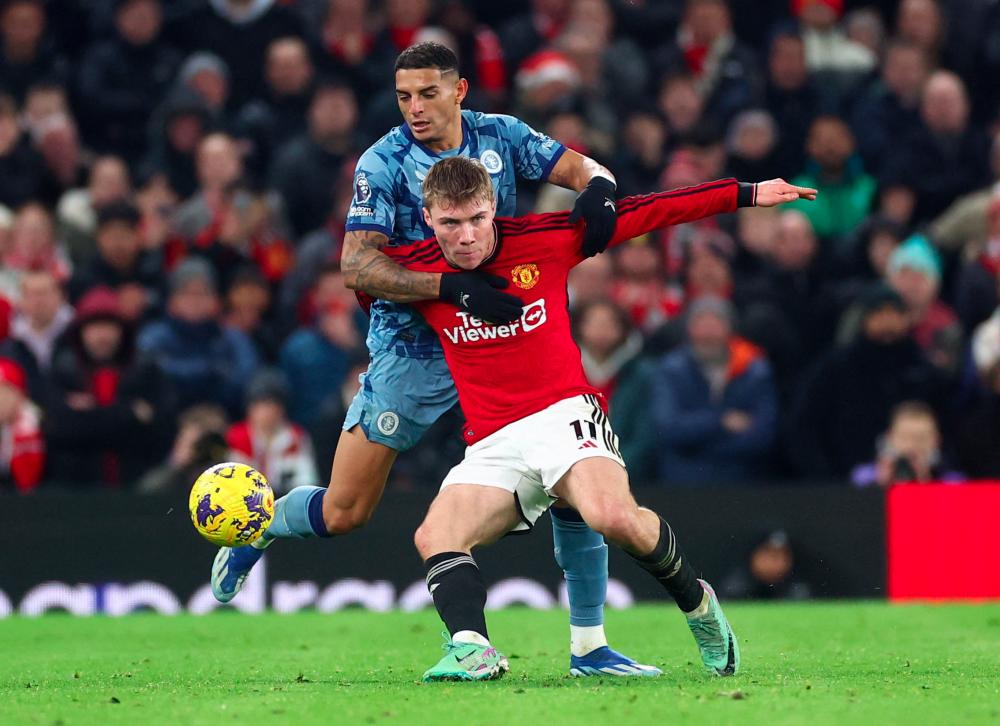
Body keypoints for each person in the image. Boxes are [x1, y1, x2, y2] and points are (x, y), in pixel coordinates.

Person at [211, 41, 645, 676]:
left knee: (569, 478)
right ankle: (263, 528)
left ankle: (590, 646)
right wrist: (450, 287)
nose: (415, 108)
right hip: (414, 350)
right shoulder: (383, 162)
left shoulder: (502, 135)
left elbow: (586, 170)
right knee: (345, 510)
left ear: (460, 91)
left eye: (428, 93)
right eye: (404, 96)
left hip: (502, 336)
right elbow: (356, 264)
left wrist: (601, 190)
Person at [387, 157, 813, 680]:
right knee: (435, 534)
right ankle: (473, 648)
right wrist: (443, 288)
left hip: (564, 412)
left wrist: (745, 193)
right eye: (451, 223)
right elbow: (357, 272)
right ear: (429, 217)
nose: (467, 236)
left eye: (477, 218)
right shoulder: (413, 267)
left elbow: (652, 212)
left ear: (493, 207)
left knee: (611, 516)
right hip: (493, 438)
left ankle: (697, 603)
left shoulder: (543, 238)